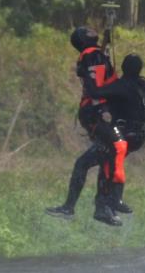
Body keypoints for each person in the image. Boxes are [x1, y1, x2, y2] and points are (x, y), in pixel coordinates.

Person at [45, 26, 123, 225]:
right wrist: (103, 109)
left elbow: (101, 72)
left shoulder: (93, 54)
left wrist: (105, 44)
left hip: (94, 113)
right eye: (87, 31)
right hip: (96, 114)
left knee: (99, 158)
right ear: (83, 39)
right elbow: (94, 85)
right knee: (108, 154)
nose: (91, 29)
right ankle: (100, 207)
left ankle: (83, 207)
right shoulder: (90, 54)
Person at [84, 53, 145, 217]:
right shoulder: (143, 84)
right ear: (139, 70)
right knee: (111, 162)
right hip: (139, 135)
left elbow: (95, 92)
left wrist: (88, 73)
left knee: (104, 163)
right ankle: (112, 201)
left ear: (123, 67)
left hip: (125, 134)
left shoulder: (122, 86)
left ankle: (107, 204)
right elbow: (117, 89)